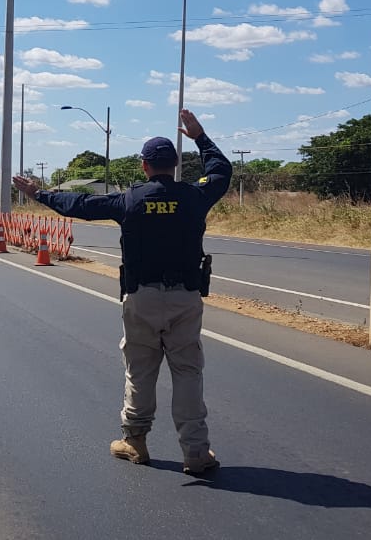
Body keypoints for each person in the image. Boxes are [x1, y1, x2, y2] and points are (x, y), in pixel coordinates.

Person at [12, 109, 231, 475]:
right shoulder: (195, 196)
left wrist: (37, 193)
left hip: (141, 298)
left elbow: (79, 205)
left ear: (144, 166)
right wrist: (201, 137)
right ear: (175, 166)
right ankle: (195, 452)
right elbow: (222, 171)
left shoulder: (128, 201)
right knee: (188, 372)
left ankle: (135, 441)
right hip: (185, 298)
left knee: (140, 370)